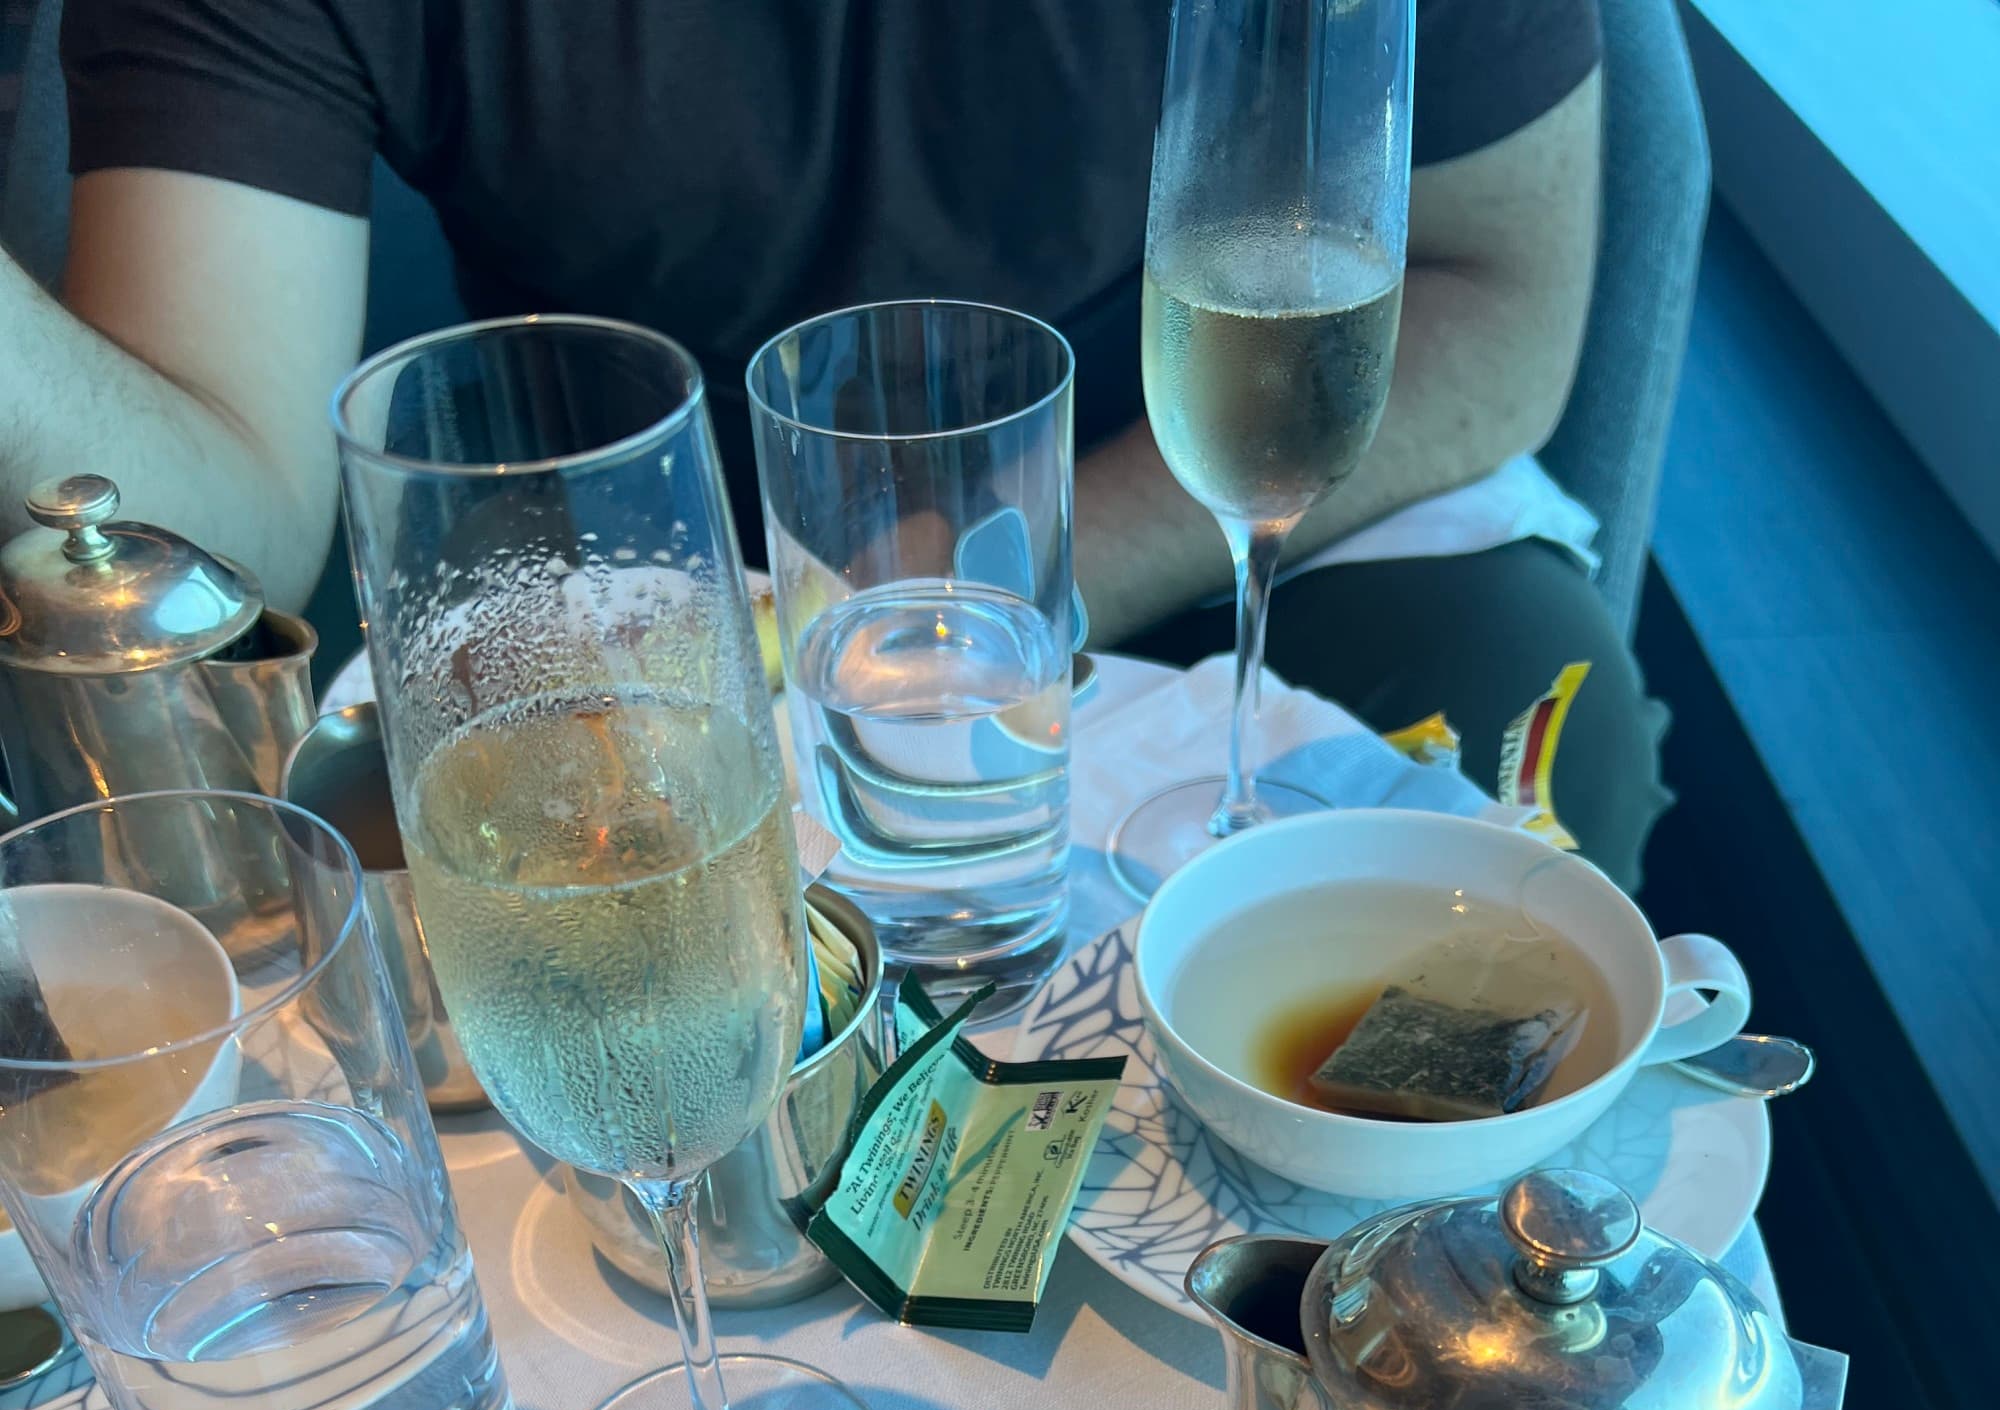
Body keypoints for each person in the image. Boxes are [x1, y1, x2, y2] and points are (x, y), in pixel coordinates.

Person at [0, 0, 1662, 883]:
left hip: (1174, 487)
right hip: (664, 582)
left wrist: (1015, 572)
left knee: (1525, 715)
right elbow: (222, 534)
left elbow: (1499, 296)